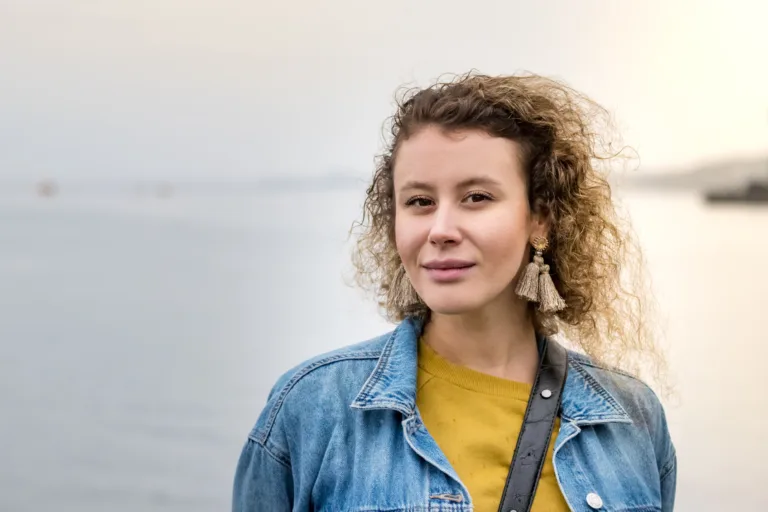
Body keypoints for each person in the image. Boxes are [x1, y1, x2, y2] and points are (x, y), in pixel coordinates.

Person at [231, 71, 677, 511]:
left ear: (540, 217)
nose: (441, 230)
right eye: (419, 202)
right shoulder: (311, 410)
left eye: (476, 197)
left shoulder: (632, 419)